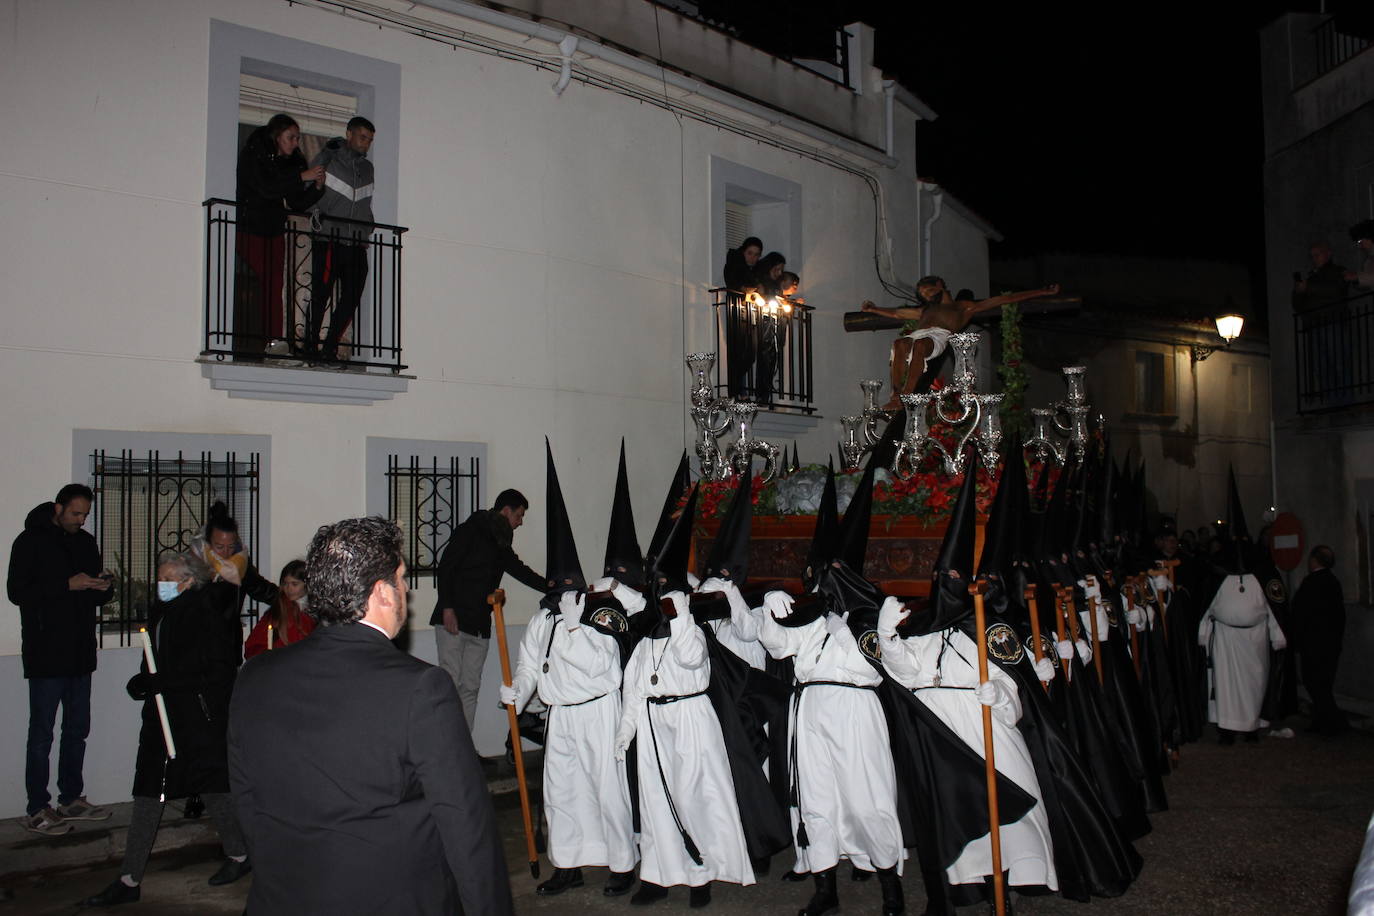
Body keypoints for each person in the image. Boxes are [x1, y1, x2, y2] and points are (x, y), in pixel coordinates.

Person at [228, 516, 513, 915]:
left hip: (282, 896)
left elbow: (245, 800)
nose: (406, 589)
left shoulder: (256, 676)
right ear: (381, 593)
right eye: (401, 578)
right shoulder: (421, 689)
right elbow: (465, 826)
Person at [500, 443, 636, 897]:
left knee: (605, 788)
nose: (559, 598)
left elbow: (606, 667)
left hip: (597, 712)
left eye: (566, 590)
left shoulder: (600, 619)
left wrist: (578, 627)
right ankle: (568, 863)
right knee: (561, 791)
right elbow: (529, 665)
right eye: (554, 591)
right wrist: (516, 693)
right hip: (560, 717)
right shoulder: (542, 621)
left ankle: (620, 864)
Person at [82, 551, 250, 907]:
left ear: (189, 580)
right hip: (161, 717)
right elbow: (157, 658)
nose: (162, 585)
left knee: (214, 787)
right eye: (160, 578)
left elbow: (217, 671)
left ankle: (239, 853)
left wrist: (165, 683)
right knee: (149, 790)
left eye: (169, 579)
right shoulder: (162, 611)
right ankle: (129, 879)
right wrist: (145, 682)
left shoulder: (205, 613)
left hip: (197, 718)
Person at [8, 484, 114, 835]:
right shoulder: (29, 541)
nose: (81, 520)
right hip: (45, 652)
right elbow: (17, 592)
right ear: (58, 508)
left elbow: (92, 594)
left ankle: (70, 798)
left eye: (85, 514)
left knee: (77, 730)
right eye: (75, 514)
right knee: (41, 734)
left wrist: (103, 587)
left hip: (80, 651)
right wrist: (66, 585)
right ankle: (37, 807)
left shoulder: (85, 542)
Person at [431, 489, 546, 732]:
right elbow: (446, 568)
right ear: (506, 511)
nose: (521, 522)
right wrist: (448, 607)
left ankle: (464, 751)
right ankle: (446, 750)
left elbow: (519, 570)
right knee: (449, 685)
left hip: (479, 624)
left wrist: (552, 586)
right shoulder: (470, 530)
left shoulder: (500, 541)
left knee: (470, 688)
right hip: (453, 618)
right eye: (519, 515)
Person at [862, 277, 1060, 408]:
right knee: (899, 344)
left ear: (940, 285)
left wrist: (1041, 292)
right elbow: (897, 313)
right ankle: (895, 396)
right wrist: (874, 310)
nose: (927, 295)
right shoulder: (925, 311)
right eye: (922, 294)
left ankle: (907, 393)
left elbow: (1001, 301)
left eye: (928, 290)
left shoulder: (963, 307)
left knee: (921, 346)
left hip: (938, 336)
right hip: (919, 333)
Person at [234, 113, 325, 357]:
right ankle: (261, 342)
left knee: (274, 286)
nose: (296, 143)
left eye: (298, 138)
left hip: (274, 228)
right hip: (249, 226)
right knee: (259, 282)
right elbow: (265, 187)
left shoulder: (292, 160)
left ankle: (275, 343)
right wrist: (300, 177)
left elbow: (296, 202)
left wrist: (317, 188)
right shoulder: (254, 152)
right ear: (277, 136)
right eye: (291, 137)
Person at [1199, 544, 1287, 743]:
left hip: (1255, 639)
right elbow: (1206, 606)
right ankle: (1227, 729)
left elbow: (1273, 608)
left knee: (1255, 682)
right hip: (1225, 637)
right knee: (1225, 683)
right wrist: (1202, 632)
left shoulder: (1262, 577)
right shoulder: (1218, 577)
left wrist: (1277, 634)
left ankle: (1251, 727)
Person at [305, 116, 377, 362]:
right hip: (329, 238)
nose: (366, 144)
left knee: (352, 295)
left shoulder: (368, 169)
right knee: (321, 294)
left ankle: (330, 346)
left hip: (357, 241)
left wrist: (368, 225)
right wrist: (318, 216)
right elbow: (308, 193)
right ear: (349, 134)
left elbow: (365, 202)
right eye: (362, 137)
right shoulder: (329, 156)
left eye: (369, 140)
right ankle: (310, 345)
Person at [1292, 545, 1347, 735]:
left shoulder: (1311, 583)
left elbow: (1300, 613)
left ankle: (1334, 721)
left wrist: (1297, 639)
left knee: (1315, 682)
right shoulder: (1334, 582)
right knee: (1323, 683)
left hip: (1313, 644)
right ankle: (1324, 721)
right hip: (1330, 644)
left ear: (1314, 560)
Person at [198, 501, 278, 622]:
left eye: (231, 546)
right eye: (219, 547)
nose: (226, 552)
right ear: (208, 543)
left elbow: (260, 588)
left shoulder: (240, 563)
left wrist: (289, 597)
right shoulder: (195, 563)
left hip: (227, 636)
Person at [243, 559, 314, 660]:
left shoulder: (317, 610)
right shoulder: (277, 611)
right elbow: (253, 646)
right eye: (285, 583)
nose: (288, 589)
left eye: (294, 584)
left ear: (306, 585)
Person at [1345, 220, 1374, 290]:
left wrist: (1356, 277)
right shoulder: (1370, 259)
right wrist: (1355, 280)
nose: (1360, 246)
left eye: (1360, 241)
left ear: (1369, 237)